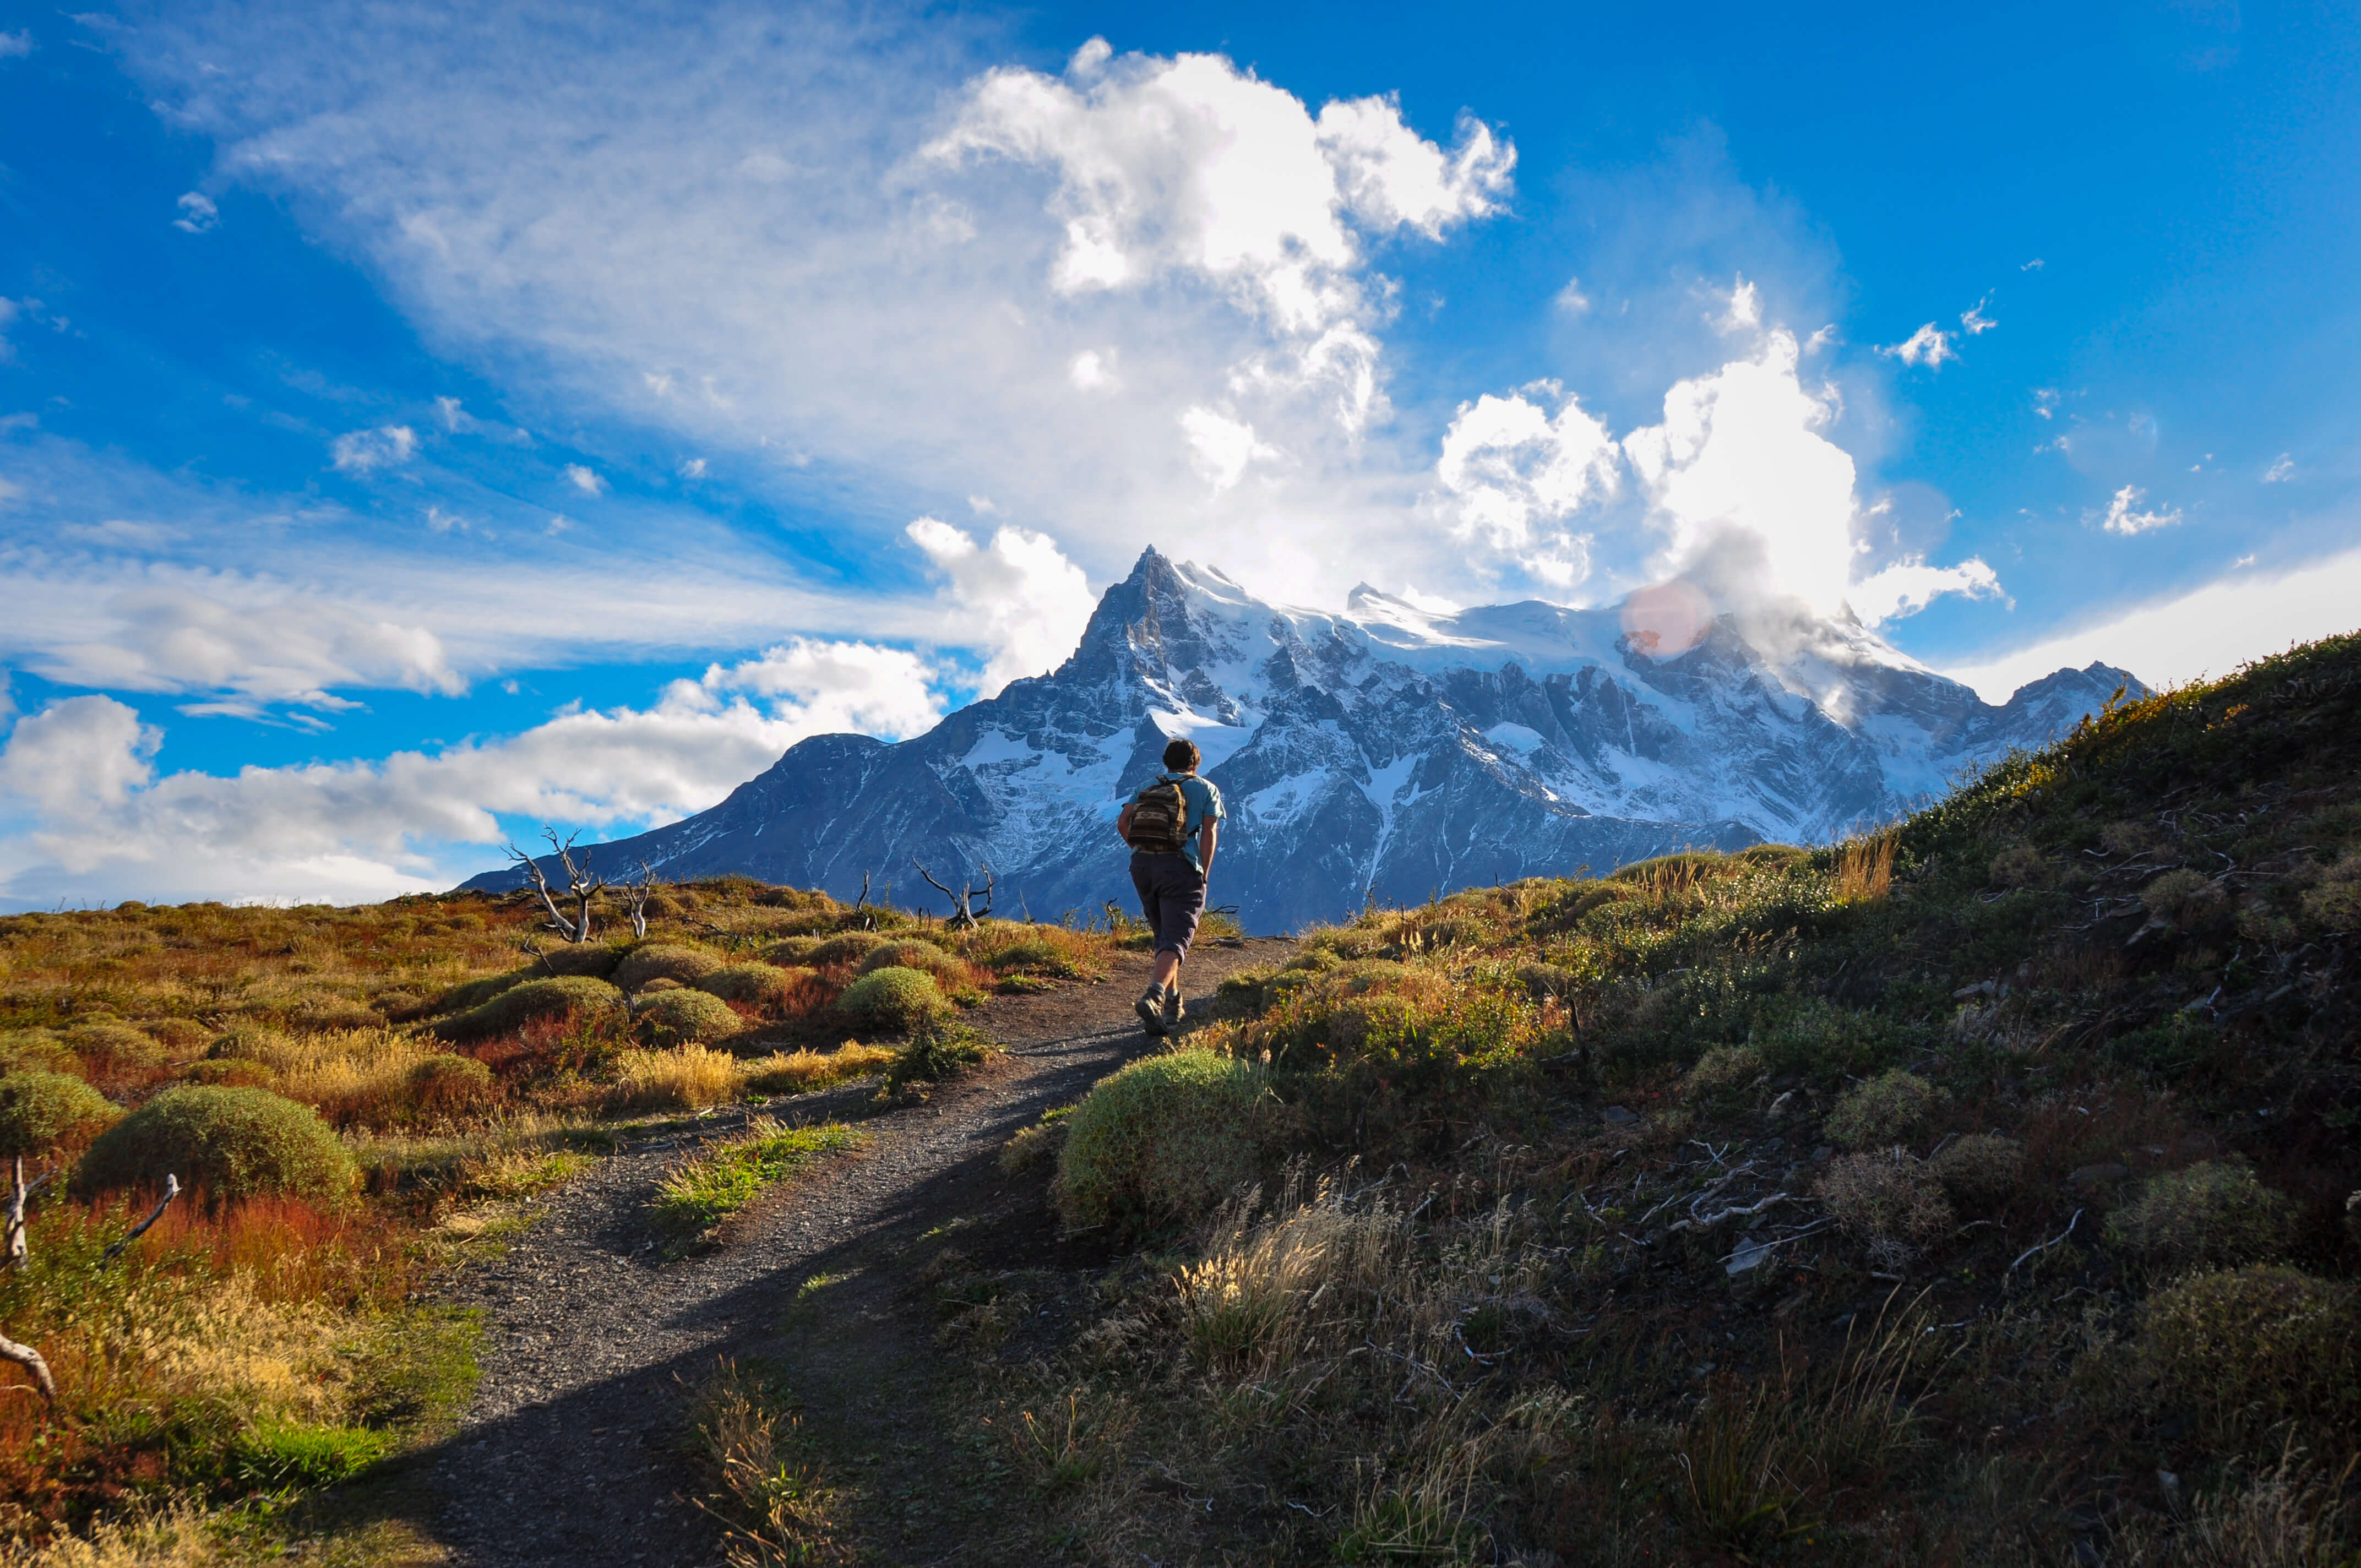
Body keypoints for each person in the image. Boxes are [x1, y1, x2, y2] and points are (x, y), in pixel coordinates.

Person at [1122, 736, 1225, 1037]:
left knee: (1164, 934)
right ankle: (1154, 996)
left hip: (1142, 866)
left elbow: (1123, 822)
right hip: (1180, 868)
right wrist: (1203, 870)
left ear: (1167, 762)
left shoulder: (1146, 785)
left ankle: (1172, 1003)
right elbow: (1209, 833)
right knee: (1177, 938)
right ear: (1195, 763)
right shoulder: (1205, 789)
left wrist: (1139, 848)